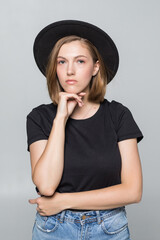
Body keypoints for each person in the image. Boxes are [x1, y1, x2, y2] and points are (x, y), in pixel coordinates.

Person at [26, 20, 144, 240]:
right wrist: (60, 118)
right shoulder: (39, 117)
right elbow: (46, 185)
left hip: (109, 229)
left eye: (80, 61)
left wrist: (65, 201)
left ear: (95, 67)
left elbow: (133, 191)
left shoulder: (118, 115)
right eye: (62, 62)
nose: (69, 70)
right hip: (53, 229)